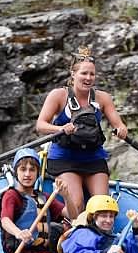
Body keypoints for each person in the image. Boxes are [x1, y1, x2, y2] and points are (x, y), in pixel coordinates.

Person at [34, 46, 128, 219]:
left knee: (103, 206)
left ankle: (99, 238)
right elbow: (40, 125)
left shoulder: (102, 98)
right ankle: (62, 225)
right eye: (84, 73)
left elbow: (119, 124)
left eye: (92, 74)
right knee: (77, 205)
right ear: (73, 74)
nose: (88, 78)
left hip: (93, 158)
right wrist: (60, 129)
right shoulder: (58, 96)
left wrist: (121, 130)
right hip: (64, 159)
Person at [0, 148, 69, 253]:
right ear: (15, 172)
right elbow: (5, 220)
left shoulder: (44, 197)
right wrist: (19, 232)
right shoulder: (12, 195)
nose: (27, 174)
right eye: (23, 169)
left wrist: (66, 196)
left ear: (37, 173)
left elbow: (71, 214)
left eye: (32, 170)